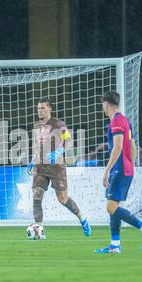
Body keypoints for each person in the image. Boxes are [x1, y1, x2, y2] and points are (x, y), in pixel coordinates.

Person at [95, 91, 142, 254]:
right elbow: (133, 145)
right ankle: (115, 244)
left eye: (103, 105)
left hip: (119, 169)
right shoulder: (125, 120)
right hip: (125, 167)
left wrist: (107, 170)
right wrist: (131, 165)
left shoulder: (116, 122)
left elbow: (118, 147)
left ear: (106, 104)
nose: (103, 108)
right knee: (114, 204)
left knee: (111, 207)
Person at [27, 97, 91, 238]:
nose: (40, 111)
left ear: (50, 108)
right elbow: (37, 147)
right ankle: (38, 230)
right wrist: (32, 161)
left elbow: (68, 141)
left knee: (62, 199)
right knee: (37, 194)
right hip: (40, 166)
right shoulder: (36, 126)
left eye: (42, 108)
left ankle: (82, 218)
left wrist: (58, 151)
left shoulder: (59, 124)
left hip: (57, 167)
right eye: (38, 108)